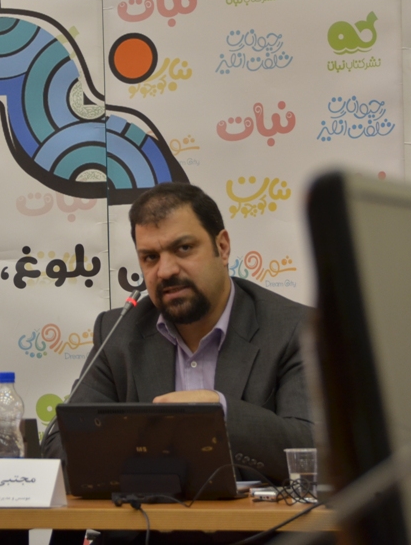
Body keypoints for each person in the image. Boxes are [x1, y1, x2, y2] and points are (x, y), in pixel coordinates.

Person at [41, 182, 313, 485]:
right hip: (147, 517)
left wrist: (220, 414)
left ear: (222, 248)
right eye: (150, 257)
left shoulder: (293, 328)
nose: (166, 270)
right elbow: (60, 447)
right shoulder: (117, 333)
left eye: (183, 248)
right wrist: (142, 447)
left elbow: (314, 447)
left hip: (257, 518)